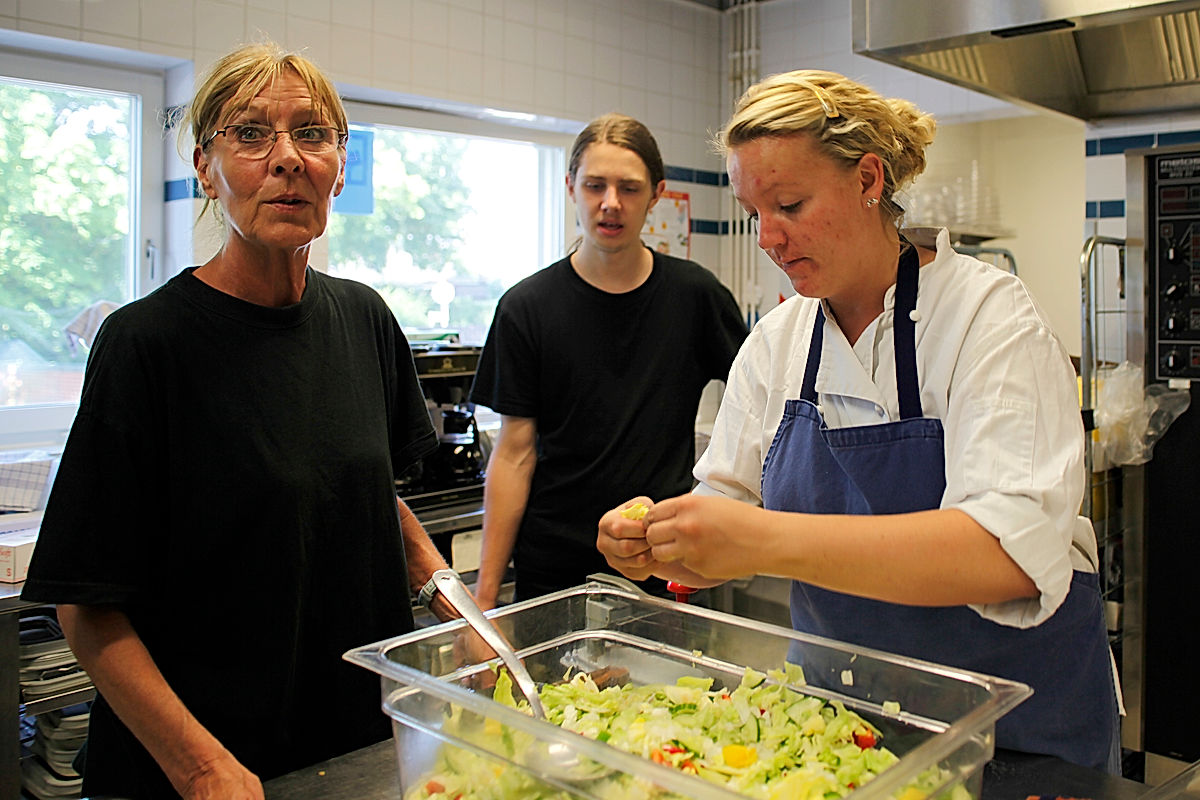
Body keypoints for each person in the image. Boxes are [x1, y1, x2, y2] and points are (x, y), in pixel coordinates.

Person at [597, 70, 1120, 773]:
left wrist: (759, 539)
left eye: (789, 204)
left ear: (869, 178)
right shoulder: (777, 342)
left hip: (1015, 737)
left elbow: (1006, 555)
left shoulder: (987, 319)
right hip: (842, 734)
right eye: (756, 213)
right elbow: (724, 511)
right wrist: (664, 540)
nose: (769, 239)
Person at [21, 43, 457, 799]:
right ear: (205, 168)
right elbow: (85, 603)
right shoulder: (145, 345)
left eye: (313, 134)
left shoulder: (364, 318)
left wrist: (468, 620)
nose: (287, 158)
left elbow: (366, 497)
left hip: (351, 744)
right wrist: (200, 765)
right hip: (199, 768)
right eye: (251, 134)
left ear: (340, 168)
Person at [469, 113, 747, 609]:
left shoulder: (696, 296)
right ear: (571, 186)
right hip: (555, 571)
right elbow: (513, 453)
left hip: (663, 560)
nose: (611, 203)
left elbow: (759, 408)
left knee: (674, 690)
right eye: (595, 185)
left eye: (629, 188)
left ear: (656, 194)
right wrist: (485, 597)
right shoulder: (526, 307)